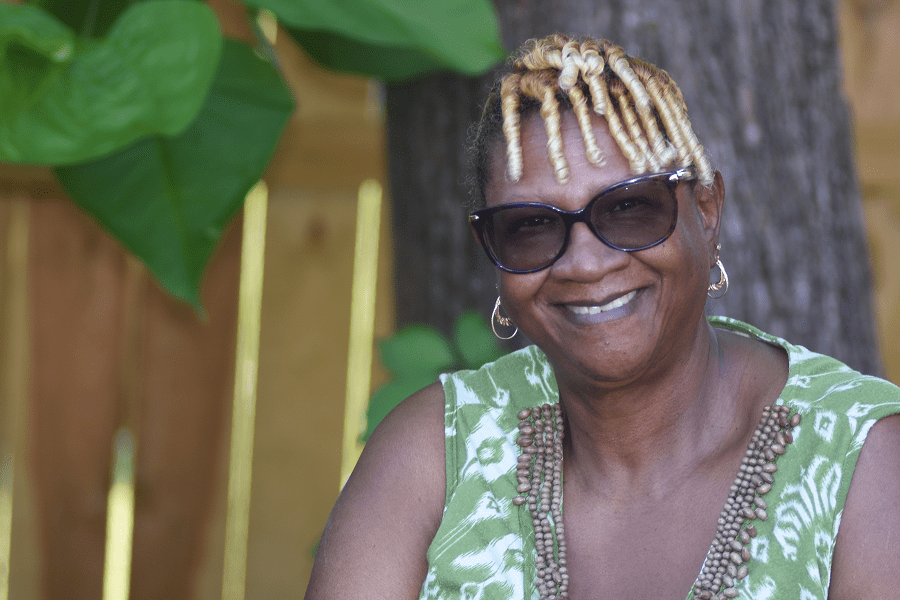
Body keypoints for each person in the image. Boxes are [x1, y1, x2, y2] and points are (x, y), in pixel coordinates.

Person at [303, 34, 900, 600]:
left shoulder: (860, 457)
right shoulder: (437, 452)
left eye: (630, 209)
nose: (585, 264)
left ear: (707, 210)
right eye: (531, 228)